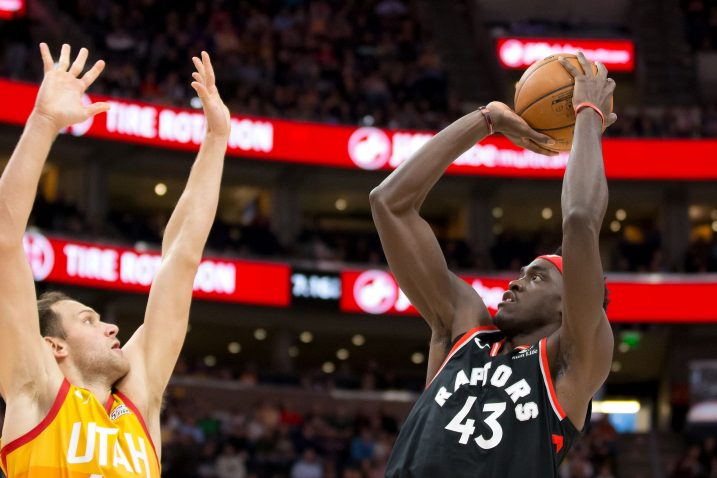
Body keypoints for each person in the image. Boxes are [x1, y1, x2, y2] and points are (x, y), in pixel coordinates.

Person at [370, 51, 616, 477]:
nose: (515, 283)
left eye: (536, 276)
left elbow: (579, 221)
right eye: (521, 274)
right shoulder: (463, 332)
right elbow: (389, 204)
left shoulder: (567, 363)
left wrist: (587, 114)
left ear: (567, 304)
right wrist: (487, 120)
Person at [0, 43, 230, 476]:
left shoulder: (138, 399)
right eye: (87, 320)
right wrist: (44, 122)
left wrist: (216, 141)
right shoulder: (37, 390)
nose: (112, 327)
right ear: (54, 346)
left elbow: (181, 257)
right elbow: (4, 240)